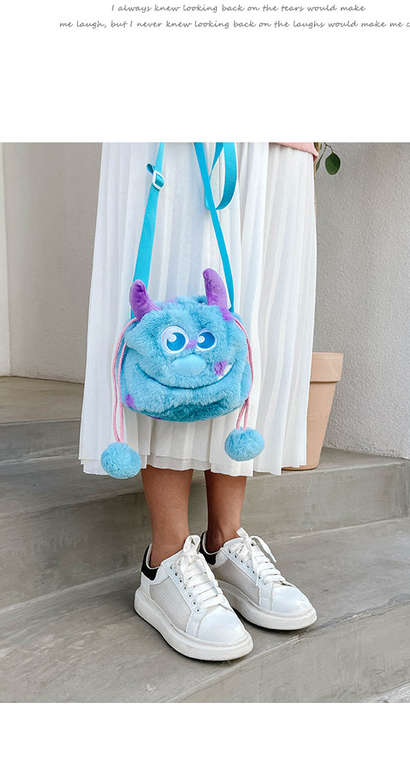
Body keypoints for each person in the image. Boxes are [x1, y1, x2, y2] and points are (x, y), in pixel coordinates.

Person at [79, 142, 318, 661]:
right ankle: (165, 559)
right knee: (173, 293)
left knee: (249, 317)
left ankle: (223, 541)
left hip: (280, 143)